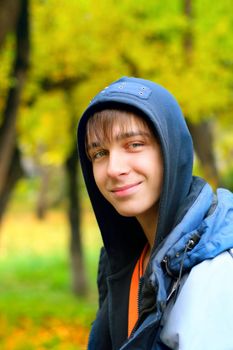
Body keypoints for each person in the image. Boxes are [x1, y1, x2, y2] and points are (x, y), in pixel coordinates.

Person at [77, 76, 233, 350]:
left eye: (134, 144)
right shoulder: (131, 258)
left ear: (171, 149)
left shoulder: (213, 269)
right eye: (99, 153)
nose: (114, 168)